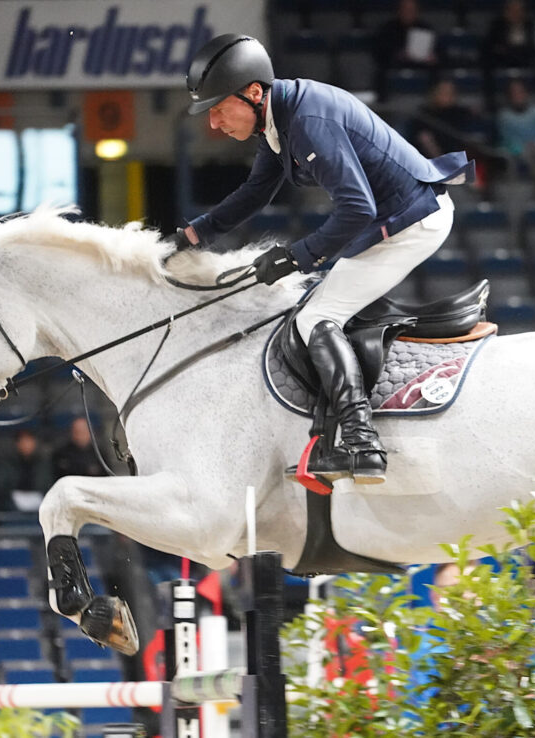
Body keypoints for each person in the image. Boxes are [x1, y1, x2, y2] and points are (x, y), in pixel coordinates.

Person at [176, 34, 474, 483]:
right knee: (312, 309)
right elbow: (256, 191)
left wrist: (297, 257)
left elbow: (357, 208)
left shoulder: (307, 120)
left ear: (254, 92)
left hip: (412, 221)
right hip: (389, 219)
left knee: (314, 319)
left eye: (218, 109)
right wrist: (192, 235)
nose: (215, 123)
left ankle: (361, 442)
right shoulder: (278, 117)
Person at [374, 0, 440, 97]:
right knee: (381, 72)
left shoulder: (426, 28)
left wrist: (433, 58)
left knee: (437, 71)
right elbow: (379, 52)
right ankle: (383, 100)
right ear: (399, 11)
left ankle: (433, 100)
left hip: (422, 64)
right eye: (405, 9)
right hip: (395, 64)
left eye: (412, 10)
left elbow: (439, 50)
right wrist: (398, 55)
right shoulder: (387, 29)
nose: (408, 12)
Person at [412, 78, 485, 160]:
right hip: (432, 159)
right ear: (434, 94)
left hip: (459, 157)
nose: (447, 96)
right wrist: (442, 160)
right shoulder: (424, 115)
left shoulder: (462, 113)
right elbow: (424, 138)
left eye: (451, 93)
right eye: (443, 92)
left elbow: (470, 137)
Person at [496, 78, 535, 172]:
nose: (518, 96)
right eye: (514, 93)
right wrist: (522, 148)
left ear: (526, 93)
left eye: (520, 92)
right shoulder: (504, 116)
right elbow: (507, 139)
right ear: (509, 95)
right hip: (515, 152)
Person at [0, 428, 53, 511]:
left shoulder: (43, 462)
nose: (26, 445)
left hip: (38, 497)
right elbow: (0, 484)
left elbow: (47, 483)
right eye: (23, 442)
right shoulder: (8, 461)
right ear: (17, 444)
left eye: (29, 441)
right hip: (14, 498)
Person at [482, 0, 535, 71]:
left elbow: (532, 49)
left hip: (527, 65)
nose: (516, 14)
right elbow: (492, 47)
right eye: (512, 11)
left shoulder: (531, 27)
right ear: (505, 12)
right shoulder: (497, 27)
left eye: (519, 11)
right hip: (502, 65)